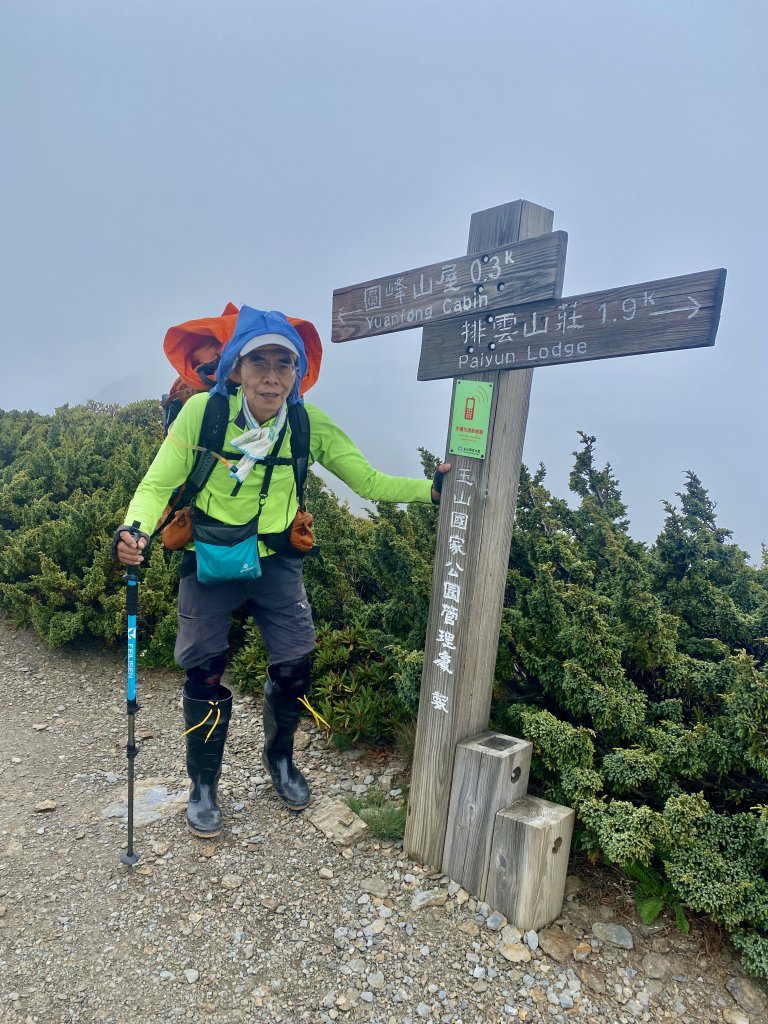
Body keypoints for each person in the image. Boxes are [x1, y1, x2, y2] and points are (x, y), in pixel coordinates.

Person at [114, 305, 450, 839]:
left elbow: (366, 482)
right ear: (236, 368)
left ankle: (281, 761)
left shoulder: (305, 422)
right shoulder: (204, 412)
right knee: (204, 670)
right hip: (209, 556)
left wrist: (429, 492)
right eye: (259, 362)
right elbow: (156, 485)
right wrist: (133, 529)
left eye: (284, 364)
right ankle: (203, 786)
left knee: (295, 663)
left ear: (298, 374)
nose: (271, 376)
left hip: (276, 562)